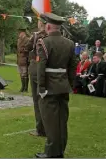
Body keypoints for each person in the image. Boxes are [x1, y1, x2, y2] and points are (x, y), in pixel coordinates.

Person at [35, 12, 76, 158]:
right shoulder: (69, 43)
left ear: (48, 26)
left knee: (50, 121)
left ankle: (52, 152)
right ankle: (60, 150)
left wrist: (41, 88)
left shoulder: (44, 42)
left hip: (50, 87)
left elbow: (41, 67)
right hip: (63, 85)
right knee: (62, 120)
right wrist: (70, 84)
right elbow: (72, 67)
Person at [25, 19, 48, 138]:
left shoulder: (36, 36)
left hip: (36, 68)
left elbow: (26, 48)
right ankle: (48, 127)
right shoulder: (50, 37)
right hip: (48, 70)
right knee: (46, 100)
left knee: (37, 100)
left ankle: (41, 129)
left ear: (40, 24)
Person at [16, 26, 30, 93]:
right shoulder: (18, 40)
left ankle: (26, 88)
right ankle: (22, 87)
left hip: (25, 59)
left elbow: (28, 49)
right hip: (19, 59)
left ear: (23, 33)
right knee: (21, 74)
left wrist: (23, 50)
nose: (19, 34)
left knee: (25, 74)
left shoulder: (27, 40)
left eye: (20, 32)